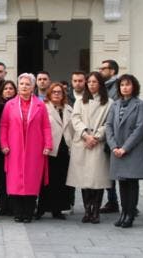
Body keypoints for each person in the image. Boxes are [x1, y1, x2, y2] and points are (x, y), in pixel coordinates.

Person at [0, 73, 53, 223]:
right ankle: (18, 212)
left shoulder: (40, 105)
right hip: (14, 147)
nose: (24, 87)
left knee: (32, 179)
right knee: (15, 179)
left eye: (27, 84)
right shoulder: (10, 105)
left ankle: (29, 212)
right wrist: (4, 144)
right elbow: (4, 126)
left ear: (33, 87)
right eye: (21, 84)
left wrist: (48, 144)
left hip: (34, 147)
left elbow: (46, 127)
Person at [67, 71, 112, 224]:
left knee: (97, 180)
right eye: (90, 82)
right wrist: (85, 135)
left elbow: (109, 123)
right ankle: (87, 210)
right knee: (84, 179)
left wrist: (97, 136)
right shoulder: (80, 101)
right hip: (83, 142)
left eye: (95, 82)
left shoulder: (109, 102)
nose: (92, 84)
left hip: (98, 143)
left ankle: (96, 211)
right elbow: (75, 119)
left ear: (100, 84)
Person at [106, 74, 143, 229]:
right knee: (121, 183)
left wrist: (125, 148)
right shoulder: (115, 104)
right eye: (122, 85)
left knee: (132, 183)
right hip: (116, 149)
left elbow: (139, 128)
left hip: (132, 150)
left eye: (128, 84)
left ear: (134, 87)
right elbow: (109, 126)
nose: (124, 87)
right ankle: (123, 212)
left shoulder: (140, 105)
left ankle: (130, 214)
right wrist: (113, 146)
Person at [38, 81, 73, 220]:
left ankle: (58, 209)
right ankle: (41, 208)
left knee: (61, 181)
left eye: (59, 92)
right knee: (46, 181)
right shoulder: (43, 107)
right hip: (50, 148)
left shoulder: (69, 108)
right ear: (49, 93)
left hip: (65, 149)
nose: (57, 94)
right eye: (54, 92)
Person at [98, 59, 120, 214]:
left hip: (114, 134)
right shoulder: (102, 86)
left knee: (119, 172)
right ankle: (112, 201)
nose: (101, 71)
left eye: (104, 68)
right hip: (102, 134)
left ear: (112, 71)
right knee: (107, 171)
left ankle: (125, 203)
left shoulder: (118, 87)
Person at [0, 80, 15, 216]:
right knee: (1, 178)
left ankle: (13, 204)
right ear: (1, 91)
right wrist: (0, 138)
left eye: (11, 88)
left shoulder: (19, 105)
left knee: (13, 177)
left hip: (16, 145)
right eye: (5, 88)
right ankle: (3, 205)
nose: (8, 90)